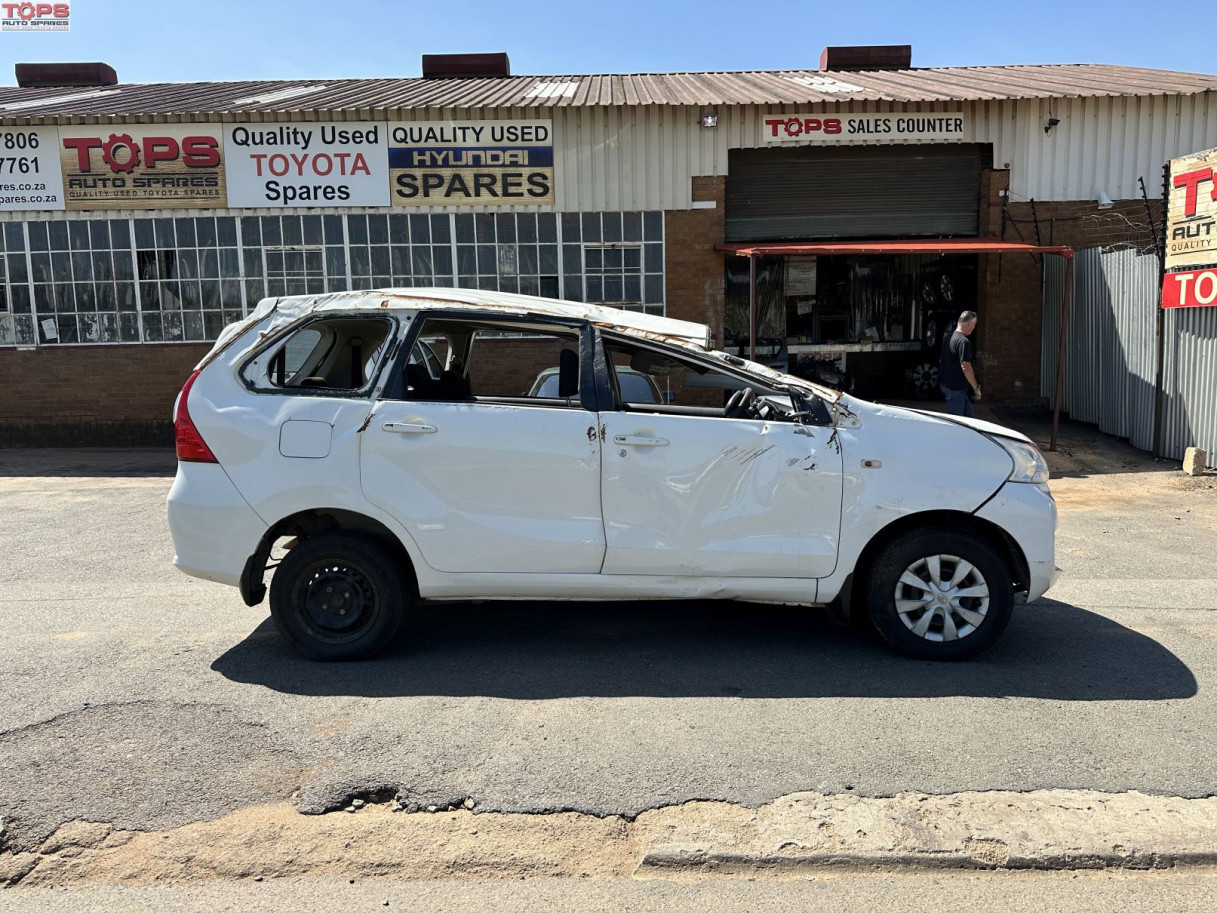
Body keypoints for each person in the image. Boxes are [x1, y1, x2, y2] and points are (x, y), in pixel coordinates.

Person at [939, 310, 981, 417]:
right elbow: (965, 366)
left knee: (968, 415)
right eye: (974, 324)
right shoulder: (963, 342)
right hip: (955, 387)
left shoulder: (948, 337)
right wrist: (975, 388)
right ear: (968, 323)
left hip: (948, 383)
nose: (974, 327)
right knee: (958, 421)